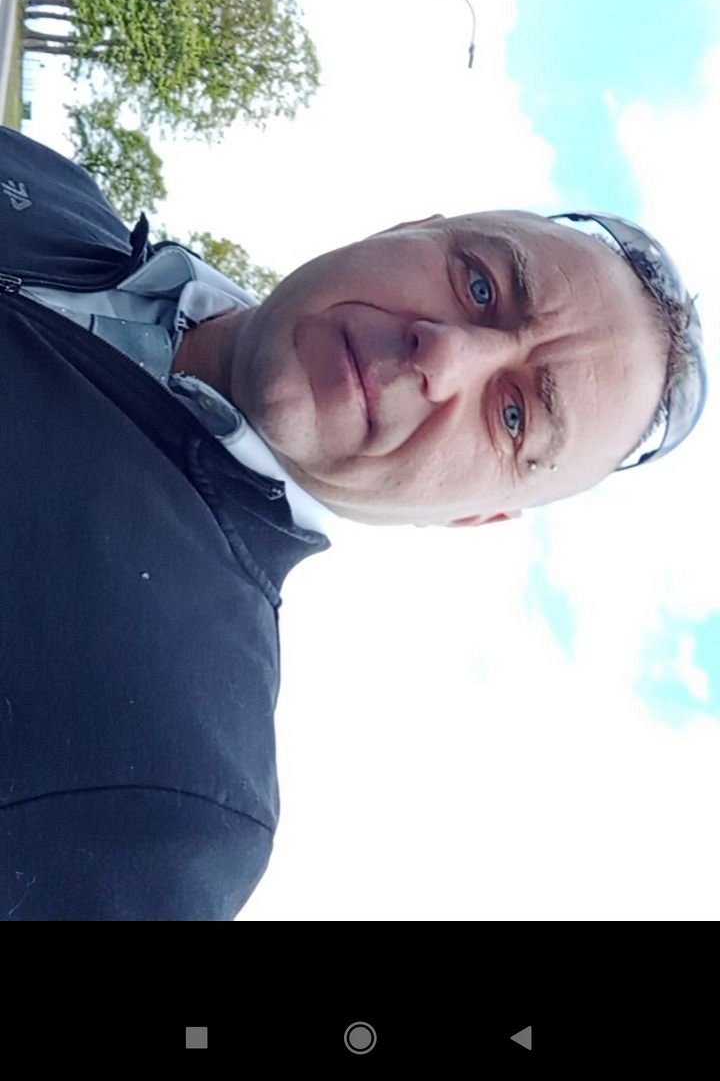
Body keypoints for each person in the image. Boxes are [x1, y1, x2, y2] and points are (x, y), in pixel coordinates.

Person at [0, 127, 707, 920]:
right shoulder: (48, 185)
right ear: (408, 227)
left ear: (471, 517)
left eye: (513, 416)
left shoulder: (156, 798)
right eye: (479, 286)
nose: (444, 355)